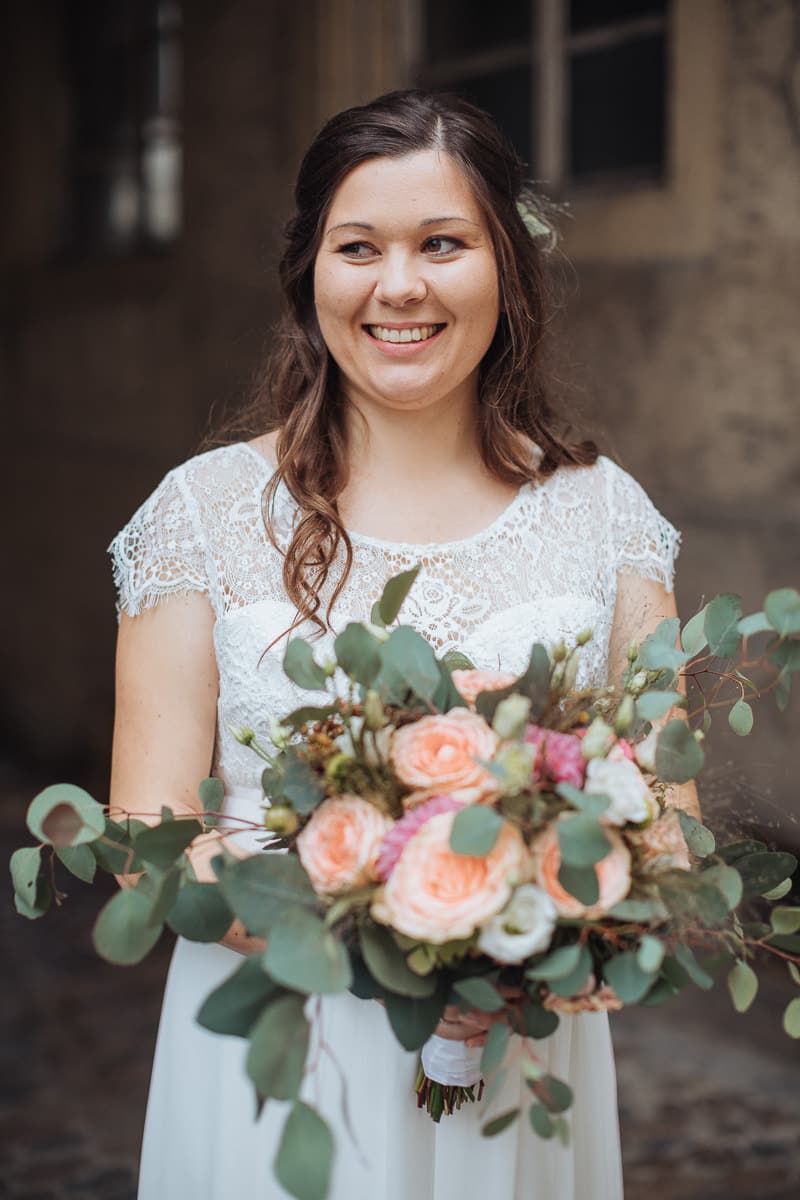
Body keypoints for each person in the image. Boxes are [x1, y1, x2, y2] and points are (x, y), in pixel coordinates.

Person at [109, 89, 696, 1200]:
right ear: (308, 273)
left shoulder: (602, 514)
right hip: (277, 1064)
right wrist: (403, 928)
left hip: (521, 1063)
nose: (399, 286)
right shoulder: (199, 516)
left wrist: (582, 923)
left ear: (506, 269)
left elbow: (667, 819)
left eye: (443, 244)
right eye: (357, 247)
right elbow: (152, 838)